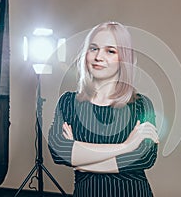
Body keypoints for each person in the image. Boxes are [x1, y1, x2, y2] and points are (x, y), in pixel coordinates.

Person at [48, 21, 159, 197]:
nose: (99, 57)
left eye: (110, 51)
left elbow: (144, 157)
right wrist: (126, 146)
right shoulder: (68, 102)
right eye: (93, 48)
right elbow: (60, 151)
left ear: (124, 59)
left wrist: (81, 162)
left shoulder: (141, 105)